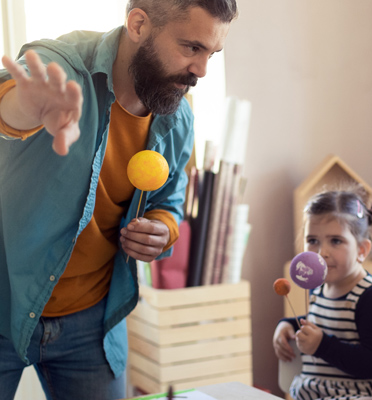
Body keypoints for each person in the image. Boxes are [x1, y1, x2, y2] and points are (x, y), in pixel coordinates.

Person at [0, 1, 237, 399]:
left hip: (92, 320)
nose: (202, 70)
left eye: (211, 54)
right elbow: (11, 98)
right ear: (139, 24)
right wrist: (30, 106)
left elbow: (169, 200)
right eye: (191, 47)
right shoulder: (63, 64)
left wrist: (161, 230)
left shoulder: (177, 115)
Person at [273, 186, 372, 400]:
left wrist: (322, 345)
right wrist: (288, 324)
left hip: (363, 393)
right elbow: (324, 322)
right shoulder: (318, 288)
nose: (322, 252)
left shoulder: (371, 297)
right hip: (319, 391)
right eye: (313, 240)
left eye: (336, 241)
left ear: (361, 250)